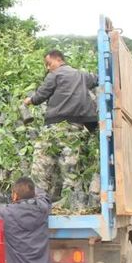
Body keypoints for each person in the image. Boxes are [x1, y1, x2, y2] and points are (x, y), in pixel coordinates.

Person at [23, 49, 99, 209]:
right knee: (70, 168)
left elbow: (41, 95)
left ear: (58, 60)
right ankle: (73, 206)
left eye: (49, 64)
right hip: (74, 130)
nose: (48, 68)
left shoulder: (55, 75)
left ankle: (37, 205)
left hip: (54, 127)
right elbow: (98, 80)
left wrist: (30, 100)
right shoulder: (82, 75)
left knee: (41, 164)